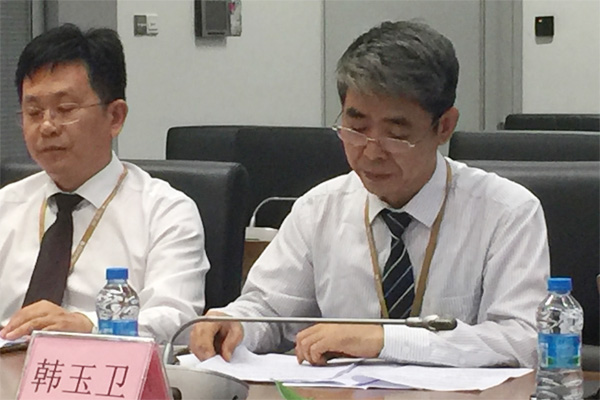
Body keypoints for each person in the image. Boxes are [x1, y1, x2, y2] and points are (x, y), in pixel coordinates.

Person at [189, 20, 550, 368]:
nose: (372, 151)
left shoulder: (506, 212)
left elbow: (523, 340)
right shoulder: (319, 208)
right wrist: (235, 323)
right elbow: (269, 310)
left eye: (396, 134)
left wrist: (386, 341)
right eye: (356, 127)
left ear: (444, 126)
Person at [0, 24, 209, 343]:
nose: (47, 126)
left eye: (65, 109)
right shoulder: (6, 205)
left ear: (115, 117)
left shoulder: (164, 212)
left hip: (107, 368)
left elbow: (177, 320)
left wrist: (88, 326)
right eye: (33, 112)